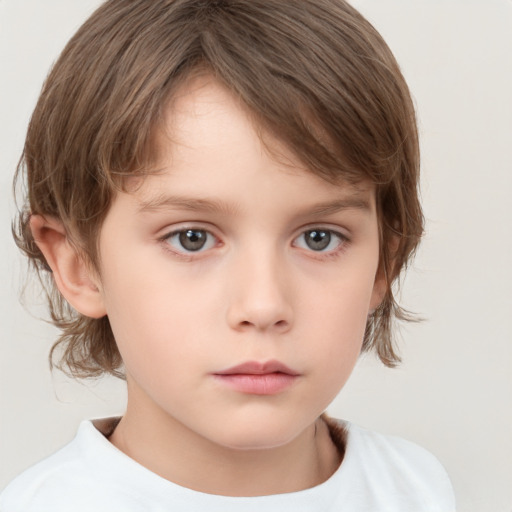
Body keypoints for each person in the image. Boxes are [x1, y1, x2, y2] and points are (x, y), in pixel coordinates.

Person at [0, 0, 456, 510]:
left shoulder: (415, 487)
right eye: (191, 238)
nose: (263, 306)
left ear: (383, 262)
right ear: (79, 264)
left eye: (319, 238)